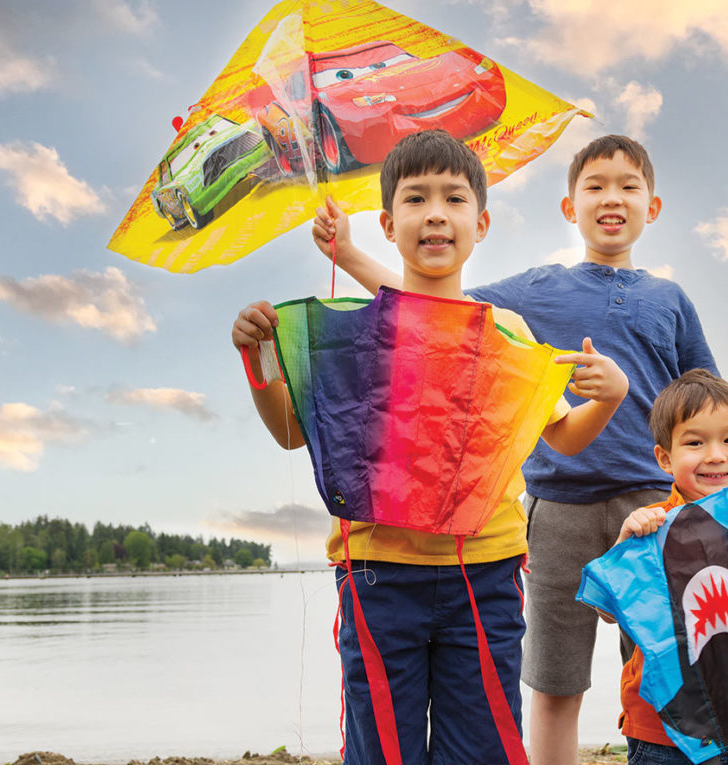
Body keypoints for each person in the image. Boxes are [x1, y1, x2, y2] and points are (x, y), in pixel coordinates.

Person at [312, 135, 717, 764]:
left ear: (653, 206)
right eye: (595, 186)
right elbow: (435, 306)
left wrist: (719, 490)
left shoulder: (671, 299)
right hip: (555, 506)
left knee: (671, 666)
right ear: (569, 206)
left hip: (654, 499)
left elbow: (707, 399)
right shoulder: (530, 291)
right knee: (555, 677)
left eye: (628, 186)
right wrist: (351, 256)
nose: (611, 198)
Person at [232, 129, 630, 765]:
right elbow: (289, 432)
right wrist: (260, 364)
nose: (436, 213)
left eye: (454, 198)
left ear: (482, 223)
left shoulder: (506, 330)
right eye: (416, 199)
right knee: (384, 749)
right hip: (377, 571)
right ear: (389, 225)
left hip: (487, 572)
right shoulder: (356, 332)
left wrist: (609, 398)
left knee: (483, 747)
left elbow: (562, 436)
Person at [598, 368, 728, 765]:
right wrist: (624, 545)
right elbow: (609, 613)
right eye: (695, 442)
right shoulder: (651, 527)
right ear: (665, 458)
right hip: (662, 729)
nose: (715, 455)